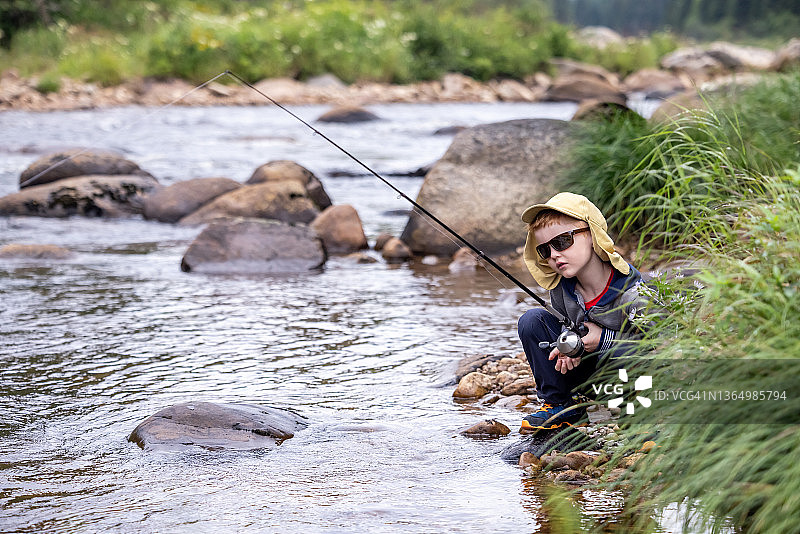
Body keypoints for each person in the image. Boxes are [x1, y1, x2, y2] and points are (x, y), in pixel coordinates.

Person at [517, 192, 649, 434]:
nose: (554, 255)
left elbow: (660, 349)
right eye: (545, 250)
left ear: (592, 235)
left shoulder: (635, 296)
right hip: (586, 377)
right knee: (531, 320)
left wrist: (603, 339)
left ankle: (637, 415)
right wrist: (569, 344)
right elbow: (569, 325)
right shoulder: (561, 289)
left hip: (629, 379)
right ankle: (562, 405)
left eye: (562, 241)